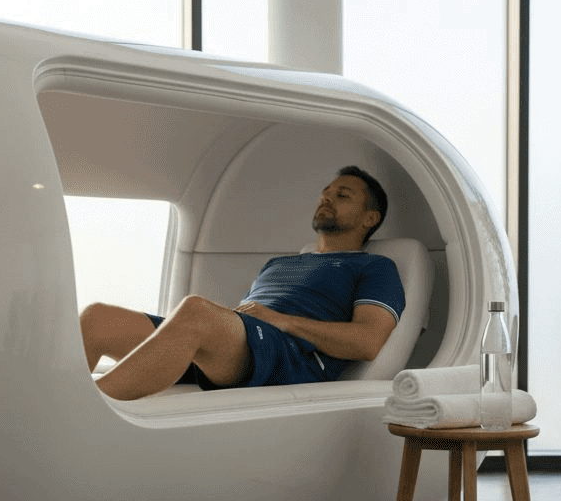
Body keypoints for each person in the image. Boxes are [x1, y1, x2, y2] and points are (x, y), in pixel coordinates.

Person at [81, 165, 405, 401]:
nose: (327, 199)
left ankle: (79, 414)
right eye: (325, 193)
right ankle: (47, 409)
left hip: (288, 357)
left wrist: (281, 321)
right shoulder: (281, 264)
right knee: (97, 318)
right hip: (244, 348)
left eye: (342, 195)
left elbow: (367, 341)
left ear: (369, 218)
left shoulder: (375, 266)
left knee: (196, 311)